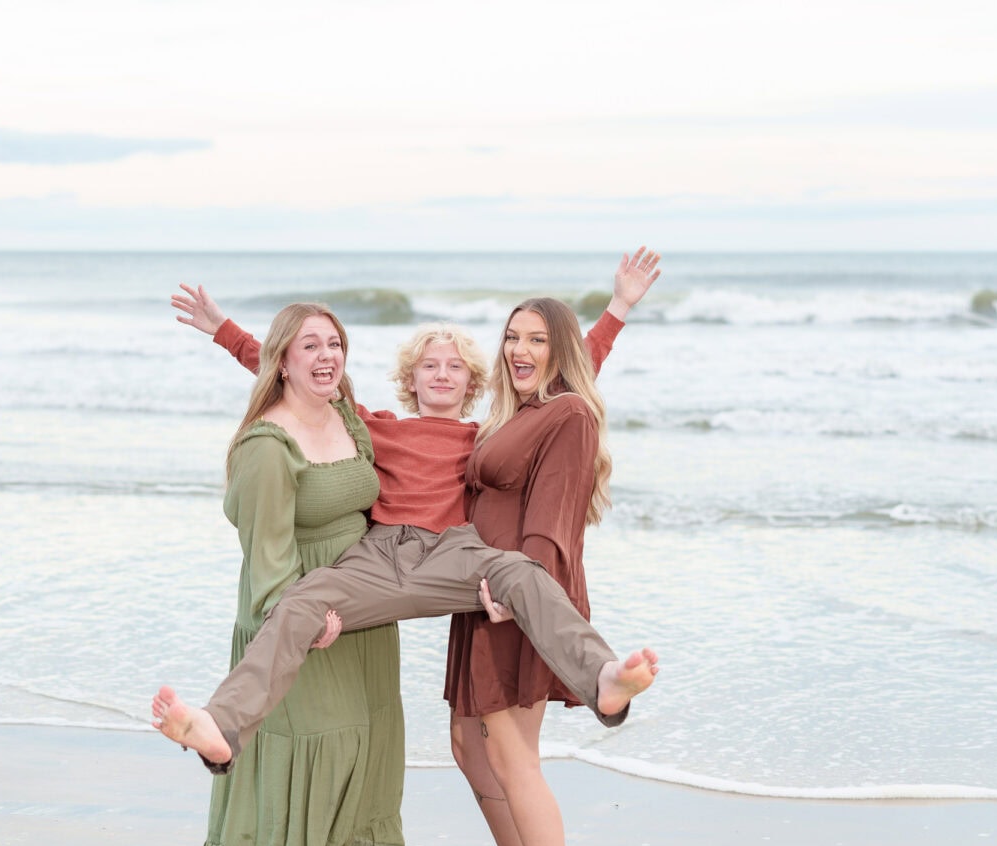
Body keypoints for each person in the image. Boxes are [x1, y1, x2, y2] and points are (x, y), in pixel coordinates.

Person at [153, 250, 662, 773]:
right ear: (410, 379)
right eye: (429, 366)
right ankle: (222, 726)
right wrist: (223, 330)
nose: (442, 375)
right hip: (379, 556)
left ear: (474, 383)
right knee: (301, 600)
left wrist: (618, 308)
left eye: (455, 367)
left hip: (455, 554)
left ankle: (602, 677)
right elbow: (300, 372)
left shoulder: (491, 436)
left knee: (520, 572)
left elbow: (569, 378)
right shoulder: (374, 427)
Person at [199, 301, 403, 846]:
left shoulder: (346, 414)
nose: (327, 356)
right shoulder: (268, 444)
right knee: (321, 738)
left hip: (361, 603)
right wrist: (303, 615)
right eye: (310, 346)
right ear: (282, 361)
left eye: (335, 343)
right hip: (298, 607)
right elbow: (265, 551)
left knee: (361, 737)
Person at [444, 296, 618, 846]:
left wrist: (524, 591)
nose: (520, 350)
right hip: (484, 594)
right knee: (469, 743)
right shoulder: (521, 413)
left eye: (537, 340)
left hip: (517, 598)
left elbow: (550, 516)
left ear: (560, 351)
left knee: (514, 754)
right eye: (512, 337)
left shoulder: (569, 413)